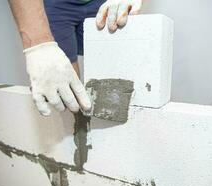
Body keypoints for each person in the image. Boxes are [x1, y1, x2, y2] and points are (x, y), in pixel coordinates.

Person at [8, 0, 143, 116]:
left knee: (112, 67)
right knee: (65, 89)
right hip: (56, 3)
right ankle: (79, 137)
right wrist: (38, 44)